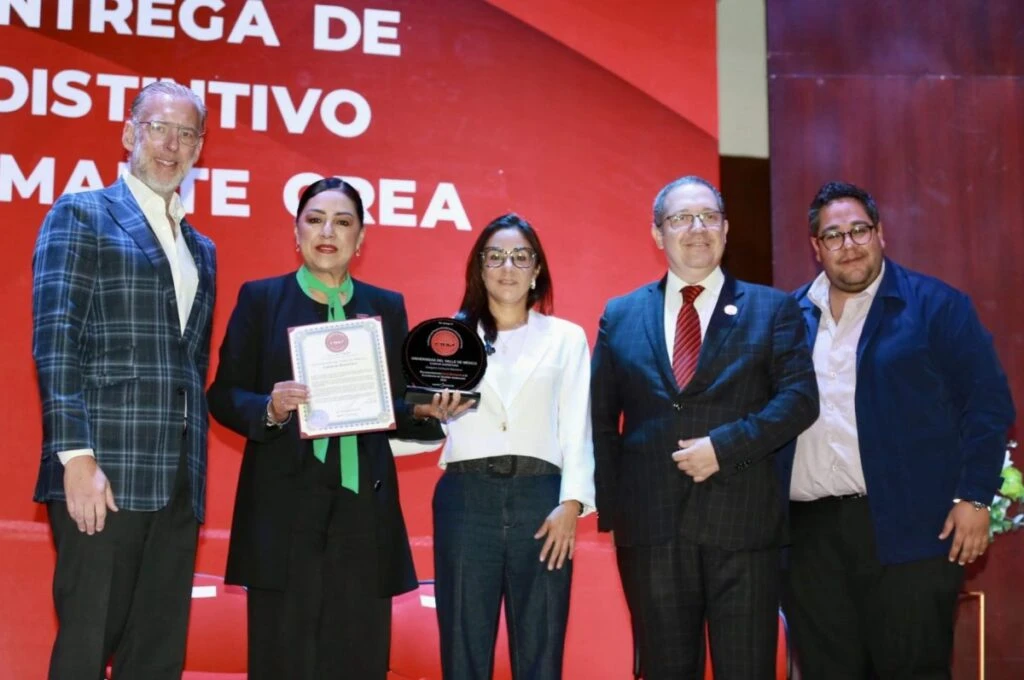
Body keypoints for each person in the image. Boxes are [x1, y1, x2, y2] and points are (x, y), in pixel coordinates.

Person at [207, 177, 441, 679]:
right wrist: (268, 408)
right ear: (296, 233)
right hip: (282, 510)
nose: (327, 231)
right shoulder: (261, 299)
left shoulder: (388, 305)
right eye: (314, 219)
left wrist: (428, 410)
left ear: (361, 238)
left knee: (357, 656)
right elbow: (223, 395)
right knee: (280, 658)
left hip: (362, 511)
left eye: (343, 221)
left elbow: (397, 403)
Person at [780, 181, 1016, 679]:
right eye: (834, 235)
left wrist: (975, 498)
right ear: (816, 247)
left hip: (911, 530)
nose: (849, 244)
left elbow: (988, 406)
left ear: (881, 234)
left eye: (859, 230)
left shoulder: (936, 306)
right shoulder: (785, 318)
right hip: (809, 538)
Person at [592, 175, 819, 679]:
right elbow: (602, 422)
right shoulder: (621, 314)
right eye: (680, 219)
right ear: (657, 234)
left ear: (726, 228)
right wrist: (617, 513)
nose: (696, 229)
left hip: (744, 528)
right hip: (650, 533)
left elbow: (800, 400)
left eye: (708, 217)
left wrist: (725, 447)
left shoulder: (772, 308)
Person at [31, 81, 216, 679]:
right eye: (160, 128)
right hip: (103, 474)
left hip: (178, 483)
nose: (172, 144)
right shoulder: (82, 212)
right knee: (86, 650)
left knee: (157, 660)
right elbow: (56, 340)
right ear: (129, 133)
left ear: (199, 149)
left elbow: (190, 365)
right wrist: (75, 458)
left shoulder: (202, 248)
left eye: (187, 134)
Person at [426, 213, 594, 680]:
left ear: (537, 269)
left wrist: (572, 504)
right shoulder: (447, 340)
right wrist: (430, 413)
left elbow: (577, 427)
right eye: (495, 256)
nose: (507, 266)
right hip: (466, 498)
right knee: (464, 647)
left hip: (542, 500)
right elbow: (416, 430)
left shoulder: (566, 338)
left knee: (540, 648)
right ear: (479, 269)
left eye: (520, 257)